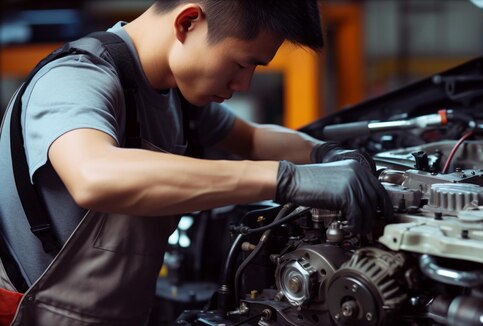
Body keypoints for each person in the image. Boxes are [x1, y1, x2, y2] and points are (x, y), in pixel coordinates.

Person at [0, 1, 391, 325]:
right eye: (242, 64)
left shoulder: (178, 99)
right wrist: (288, 178)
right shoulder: (76, 77)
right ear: (188, 22)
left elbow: (253, 139)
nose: (244, 84)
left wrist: (325, 155)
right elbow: (95, 175)